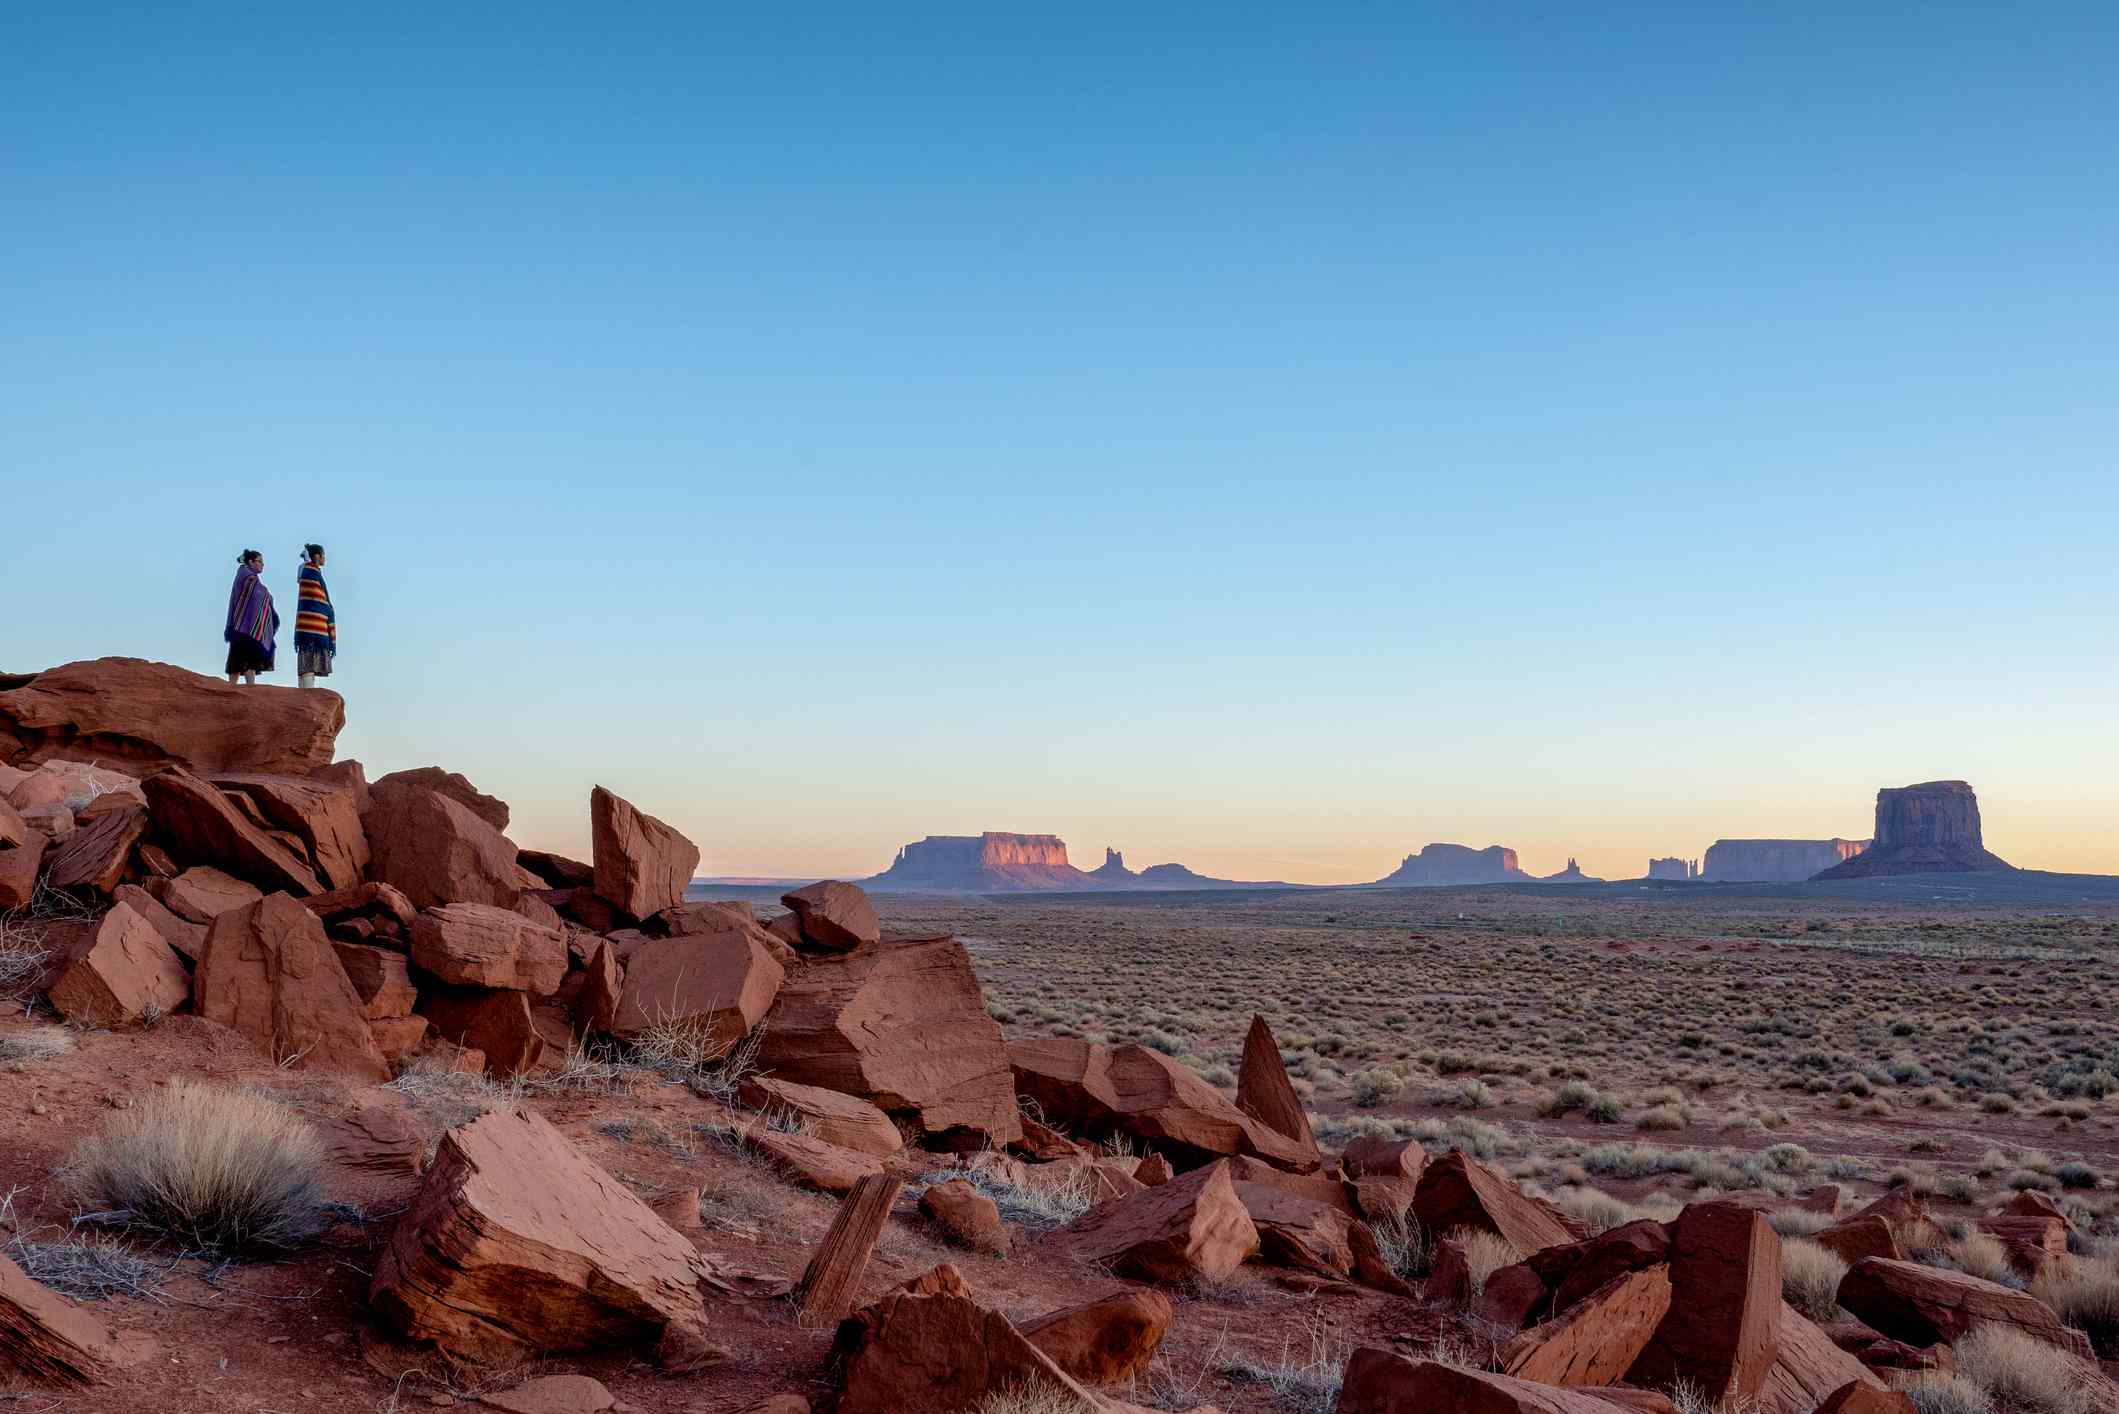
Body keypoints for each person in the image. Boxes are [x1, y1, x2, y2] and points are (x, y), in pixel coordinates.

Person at [223, 550, 278, 685]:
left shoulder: (244, 575)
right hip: (245, 628)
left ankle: (234, 688)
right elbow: (259, 595)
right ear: (250, 562)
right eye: (259, 561)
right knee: (245, 659)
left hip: (240, 626)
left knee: (239, 659)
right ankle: (247, 689)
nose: (262, 565)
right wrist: (268, 596)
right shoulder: (248, 577)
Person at [294, 543, 336, 688]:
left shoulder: (309, 571)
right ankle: (307, 696)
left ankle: (305, 692)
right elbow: (316, 599)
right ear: (317, 556)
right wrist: (329, 609)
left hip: (307, 625)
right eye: (323, 555)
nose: (324, 558)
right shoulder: (310, 572)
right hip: (312, 627)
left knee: (307, 663)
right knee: (308, 662)